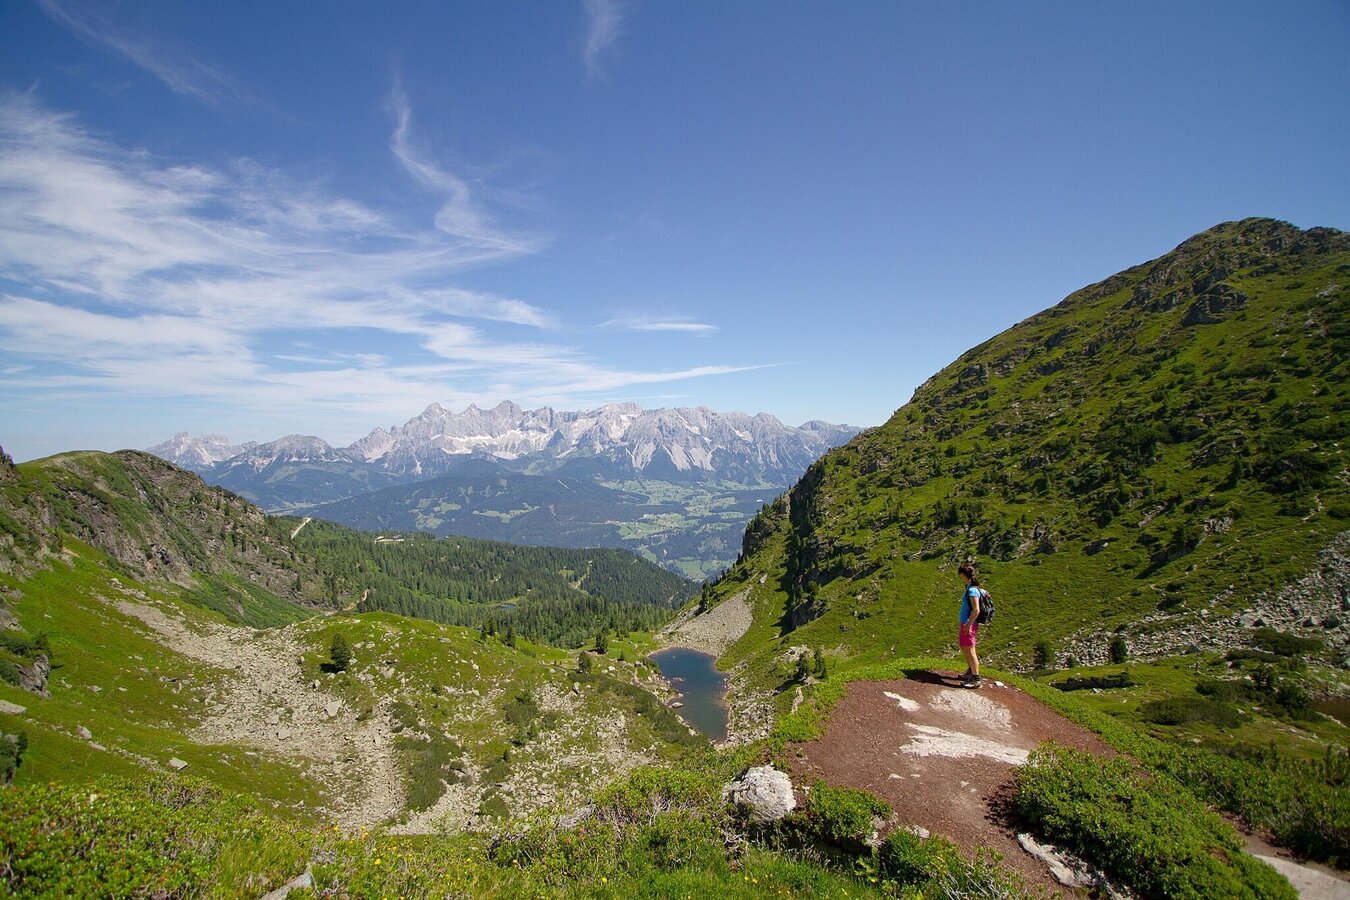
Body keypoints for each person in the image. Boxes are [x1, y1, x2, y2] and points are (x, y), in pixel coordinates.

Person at [956, 563, 983, 689]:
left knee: (971, 650)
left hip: (969, 624)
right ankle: (971, 671)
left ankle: (976, 678)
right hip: (966, 623)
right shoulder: (969, 587)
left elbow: (976, 610)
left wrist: (968, 624)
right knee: (965, 647)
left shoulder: (972, 590)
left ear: (964, 575)